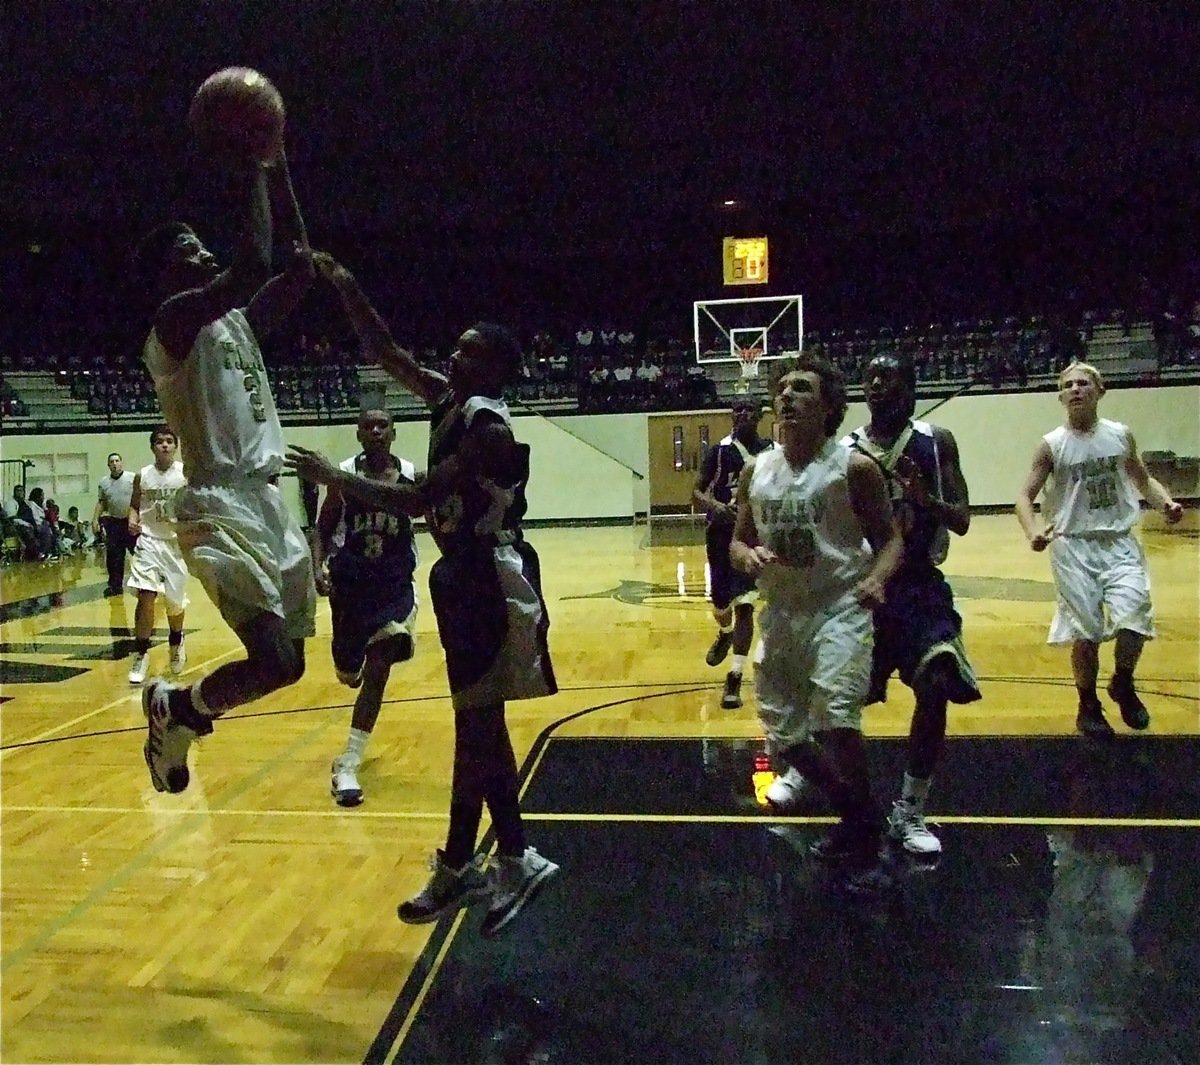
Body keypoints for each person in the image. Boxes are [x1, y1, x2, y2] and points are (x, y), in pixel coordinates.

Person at [286, 252, 558, 937]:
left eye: (470, 351)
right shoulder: (448, 399)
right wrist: (346, 286)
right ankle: (474, 860)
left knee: (479, 728)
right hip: (460, 577)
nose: (455, 356)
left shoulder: (488, 428)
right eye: (457, 347)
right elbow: (384, 349)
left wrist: (332, 478)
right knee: (475, 728)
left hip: (493, 577)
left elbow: (414, 498)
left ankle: (506, 856)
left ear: (496, 367)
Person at [130, 142, 317, 794]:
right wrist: (256, 169)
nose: (205, 254)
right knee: (270, 654)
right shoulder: (173, 323)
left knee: (287, 667)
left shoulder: (235, 321)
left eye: (204, 247)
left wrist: (284, 167)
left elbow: (296, 271)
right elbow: (253, 264)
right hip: (215, 505)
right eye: (190, 251)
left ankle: (182, 708)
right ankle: (177, 708)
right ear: (164, 275)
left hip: (267, 502)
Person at [730, 356, 902, 888]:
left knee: (835, 716)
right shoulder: (755, 470)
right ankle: (860, 813)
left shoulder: (854, 467)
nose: (786, 396)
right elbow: (737, 540)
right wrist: (746, 556)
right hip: (781, 613)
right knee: (785, 734)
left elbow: (891, 538)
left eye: (801, 388)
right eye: (781, 388)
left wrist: (878, 579)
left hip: (839, 606)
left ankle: (863, 830)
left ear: (829, 407)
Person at [840, 352, 981, 856]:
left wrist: (925, 499)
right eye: (871, 377)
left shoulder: (935, 442)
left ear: (910, 389)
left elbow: (962, 519)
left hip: (920, 585)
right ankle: (845, 800)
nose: (878, 384)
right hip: (865, 584)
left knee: (937, 680)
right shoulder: (847, 452)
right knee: (840, 700)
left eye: (890, 377)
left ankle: (911, 810)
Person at [1015, 361, 1184, 737]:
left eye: (1083, 383)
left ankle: (1122, 681)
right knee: (1086, 631)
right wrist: (1033, 531)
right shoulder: (1052, 445)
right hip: (1073, 545)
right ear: (1061, 396)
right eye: (1068, 385)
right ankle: (1087, 703)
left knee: (1135, 618)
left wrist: (1165, 504)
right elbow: (1024, 497)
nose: (1076, 389)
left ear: (1100, 391)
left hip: (1120, 540)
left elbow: (1142, 478)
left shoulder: (1120, 435)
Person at [310, 408, 420, 807]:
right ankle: (347, 660)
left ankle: (348, 762)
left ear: (393, 432)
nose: (375, 431)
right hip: (350, 586)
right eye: (367, 426)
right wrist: (317, 566)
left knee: (379, 668)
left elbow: (431, 518)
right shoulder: (341, 475)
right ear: (358, 433)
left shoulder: (411, 475)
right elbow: (323, 527)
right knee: (349, 671)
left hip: (393, 586)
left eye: (382, 425)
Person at [693, 395, 775, 709]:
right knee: (721, 603)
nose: (743, 413)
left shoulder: (773, 453)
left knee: (745, 605)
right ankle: (724, 633)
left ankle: (735, 675)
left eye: (749, 408)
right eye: (737, 409)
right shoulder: (719, 452)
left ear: (760, 414)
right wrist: (714, 505)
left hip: (753, 536)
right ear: (731, 415)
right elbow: (696, 491)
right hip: (720, 535)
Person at [125, 425, 190, 686]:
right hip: (149, 541)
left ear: (175, 446)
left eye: (169, 441)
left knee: (174, 603)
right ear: (152, 447)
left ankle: (176, 639)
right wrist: (132, 519)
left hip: (175, 544)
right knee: (146, 595)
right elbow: (134, 504)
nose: (164, 445)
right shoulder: (143, 475)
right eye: (160, 441)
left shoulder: (185, 473)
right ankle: (141, 653)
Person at [93, 452, 137, 592]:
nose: (114, 463)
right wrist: (95, 519)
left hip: (131, 522)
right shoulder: (104, 482)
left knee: (140, 553)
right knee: (114, 556)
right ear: (108, 465)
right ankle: (115, 585)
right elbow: (101, 502)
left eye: (117, 461)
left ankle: (150, 581)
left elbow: (140, 499)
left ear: (121, 463)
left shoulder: (132, 478)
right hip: (114, 523)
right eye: (111, 461)